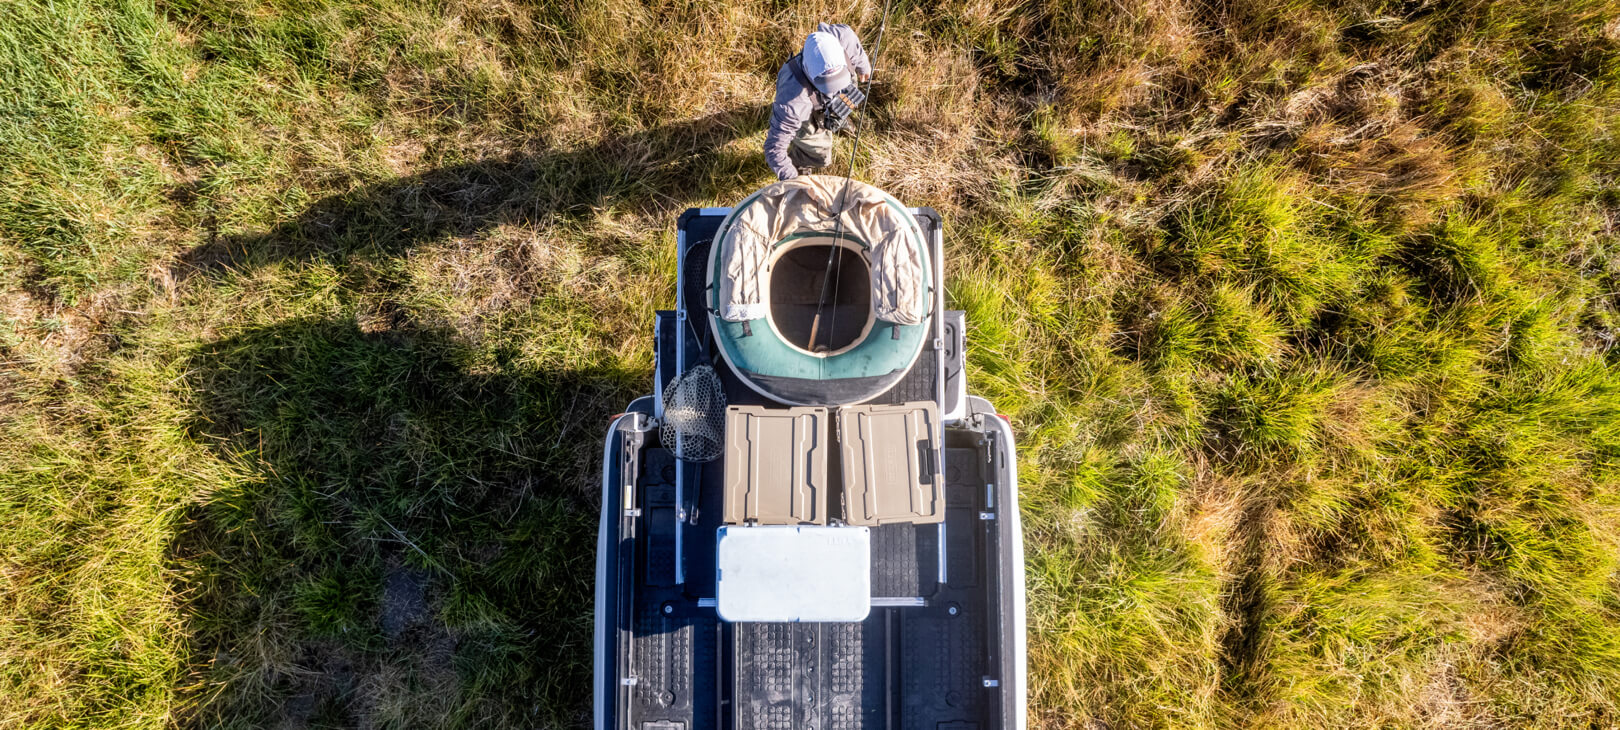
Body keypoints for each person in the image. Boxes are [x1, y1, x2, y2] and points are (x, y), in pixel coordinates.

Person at [764, 23, 872, 181]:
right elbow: (774, 148)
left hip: (824, 100)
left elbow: (855, 48)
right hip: (807, 110)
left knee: (845, 101)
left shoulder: (842, 36)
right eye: (827, 84)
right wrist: (792, 181)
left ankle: (836, 119)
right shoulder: (792, 101)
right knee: (820, 155)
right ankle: (801, 161)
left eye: (838, 80)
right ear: (809, 69)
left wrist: (863, 66)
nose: (833, 89)